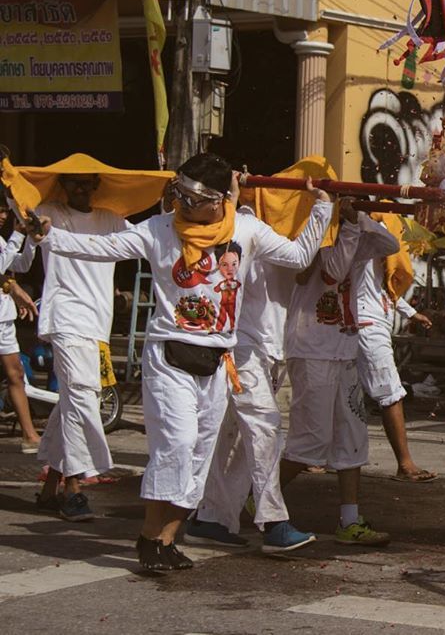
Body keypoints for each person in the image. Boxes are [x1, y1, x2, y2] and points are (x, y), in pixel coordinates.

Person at [33, 153, 332, 571]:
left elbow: (299, 257)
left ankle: (166, 539)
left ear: (220, 200)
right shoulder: (159, 229)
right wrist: (47, 237)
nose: (184, 206)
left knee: (197, 456)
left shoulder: (246, 229)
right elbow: (99, 247)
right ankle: (147, 539)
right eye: (179, 195)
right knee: (176, 446)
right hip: (169, 357)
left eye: (194, 199)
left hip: (218, 361)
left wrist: (322, 207)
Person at [187, 199, 317, 553]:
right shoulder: (246, 225)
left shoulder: (281, 233)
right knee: (265, 429)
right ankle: (273, 521)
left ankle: (212, 517)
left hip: (267, 350)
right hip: (242, 348)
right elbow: (301, 258)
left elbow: (304, 263)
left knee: (235, 440)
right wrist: (321, 206)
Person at [279, 198, 399, 546]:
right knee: (311, 441)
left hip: (344, 350)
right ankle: (258, 496)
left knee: (352, 438)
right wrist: (345, 226)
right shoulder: (303, 245)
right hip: (312, 352)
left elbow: (390, 245)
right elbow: (332, 270)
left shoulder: (353, 240)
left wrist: (359, 217)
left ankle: (350, 520)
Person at [19, 174, 130, 521]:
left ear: (98, 185)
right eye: (74, 183)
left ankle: (50, 489)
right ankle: (74, 488)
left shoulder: (111, 220)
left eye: (88, 183)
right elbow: (28, 235)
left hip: (97, 324)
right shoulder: (50, 211)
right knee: (83, 397)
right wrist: (29, 223)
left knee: (72, 400)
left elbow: (147, 241)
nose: (81, 189)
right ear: (63, 186)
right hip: (66, 319)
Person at [335, 209, 434, 483]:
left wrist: (410, 313)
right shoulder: (365, 244)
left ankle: (327, 458)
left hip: (366, 322)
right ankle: (405, 464)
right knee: (390, 393)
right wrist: (373, 220)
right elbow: (387, 251)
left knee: (348, 397)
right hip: (367, 325)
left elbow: (383, 290)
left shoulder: (367, 248)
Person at [0, 202, 41, 455]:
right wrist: (17, 235)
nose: (3, 215)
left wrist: (32, 241)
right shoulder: (7, 240)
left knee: (15, 374)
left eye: (4, 210)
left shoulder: (3, 241)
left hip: (4, 320)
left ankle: (29, 434)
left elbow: (21, 265)